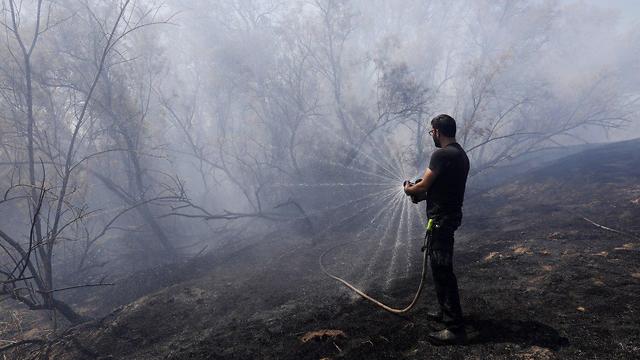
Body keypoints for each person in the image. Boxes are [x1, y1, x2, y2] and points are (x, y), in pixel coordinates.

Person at [403, 114, 470, 345]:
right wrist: (421, 193)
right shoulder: (460, 154)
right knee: (439, 267)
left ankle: (455, 328)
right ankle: (445, 312)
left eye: (431, 132)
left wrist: (409, 189)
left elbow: (424, 185)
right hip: (449, 217)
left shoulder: (441, 154)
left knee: (442, 270)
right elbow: (442, 187)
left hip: (441, 220)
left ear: (438, 132)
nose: (432, 135)